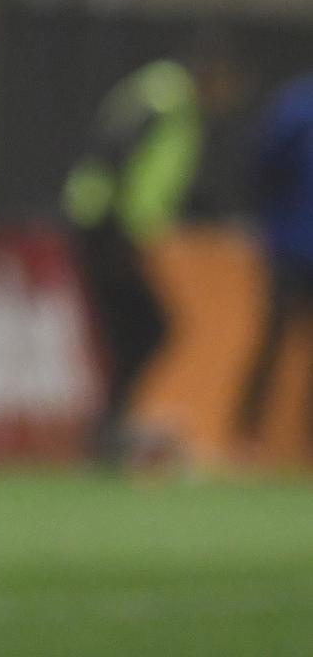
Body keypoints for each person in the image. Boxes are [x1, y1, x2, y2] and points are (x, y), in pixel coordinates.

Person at [61, 43, 241, 464]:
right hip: (106, 227)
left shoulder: (172, 102)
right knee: (146, 328)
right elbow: (117, 155)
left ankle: (110, 428)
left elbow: (162, 180)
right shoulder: (167, 100)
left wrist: (208, 214)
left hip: (115, 228)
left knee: (135, 331)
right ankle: (108, 427)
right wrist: (113, 228)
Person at [233, 73, 313, 455]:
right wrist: (270, 222)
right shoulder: (296, 108)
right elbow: (261, 166)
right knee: (274, 340)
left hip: (291, 243)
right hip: (291, 249)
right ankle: (247, 436)